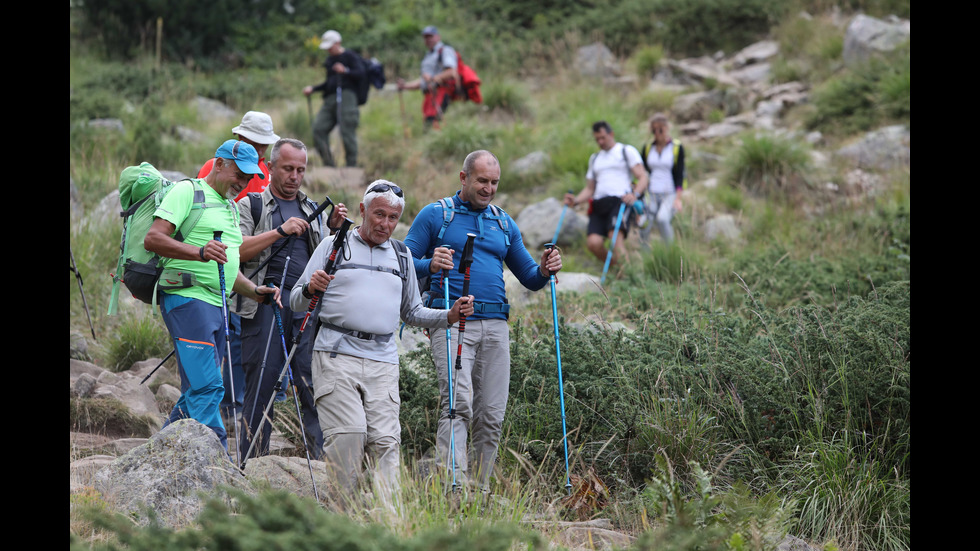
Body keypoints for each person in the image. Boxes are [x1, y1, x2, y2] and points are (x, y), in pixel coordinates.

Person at [292, 181, 474, 505]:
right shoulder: (333, 245)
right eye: (379, 214)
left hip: (384, 359)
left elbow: (413, 312)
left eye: (393, 217)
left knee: (387, 442)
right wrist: (309, 289)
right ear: (362, 211)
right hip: (336, 354)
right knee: (349, 435)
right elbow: (294, 300)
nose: (385, 224)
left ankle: (389, 523)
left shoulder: (402, 255)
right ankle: (339, 518)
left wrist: (449, 315)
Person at [405, 150, 563, 490]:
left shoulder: (503, 222)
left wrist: (545, 270)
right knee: (458, 405)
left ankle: (481, 490)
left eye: (494, 182)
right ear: (463, 178)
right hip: (450, 320)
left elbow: (530, 278)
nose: (489, 189)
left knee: (491, 415)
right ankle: (453, 487)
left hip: (496, 326)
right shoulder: (437, 215)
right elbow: (403, 261)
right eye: (482, 181)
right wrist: (430, 264)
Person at [145, 139, 280, 451]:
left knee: (195, 390)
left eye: (250, 178)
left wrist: (255, 291)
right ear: (219, 163)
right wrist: (199, 251)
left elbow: (229, 267)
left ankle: (155, 458)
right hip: (187, 299)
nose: (244, 183)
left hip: (218, 305)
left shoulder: (230, 208)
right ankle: (219, 463)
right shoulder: (187, 192)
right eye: (239, 174)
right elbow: (154, 238)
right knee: (209, 386)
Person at [235, 138, 348, 463]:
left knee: (313, 385)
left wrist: (335, 232)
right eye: (288, 168)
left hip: (307, 306)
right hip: (263, 304)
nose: (295, 176)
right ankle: (252, 464)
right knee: (262, 383)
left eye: (300, 169)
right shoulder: (251, 205)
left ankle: (322, 466)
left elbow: (329, 261)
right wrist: (280, 231)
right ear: (269, 167)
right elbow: (237, 251)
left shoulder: (313, 209)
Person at [195, 110, 280, 434]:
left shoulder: (261, 171)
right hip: (221, 260)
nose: (261, 152)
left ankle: (240, 403)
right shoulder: (218, 167)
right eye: (257, 143)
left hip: (246, 263)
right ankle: (229, 406)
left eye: (264, 145)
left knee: (239, 336)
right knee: (228, 338)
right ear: (241, 138)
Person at [565, 121, 648, 266]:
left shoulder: (626, 151)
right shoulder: (595, 158)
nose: (600, 142)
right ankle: (617, 269)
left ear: (611, 134)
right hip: (598, 204)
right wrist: (576, 201)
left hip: (619, 201)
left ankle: (627, 277)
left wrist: (634, 194)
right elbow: (590, 188)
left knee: (615, 237)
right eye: (597, 139)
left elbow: (642, 176)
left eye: (603, 137)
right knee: (593, 243)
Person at [303, 30, 365, 167]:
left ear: (338, 43)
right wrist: (313, 89)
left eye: (330, 46)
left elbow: (361, 73)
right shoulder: (329, 61)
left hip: (348, 96)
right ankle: (329, 164)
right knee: (318, 129)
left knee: (347, 130)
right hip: (330, 98)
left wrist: (346, 71)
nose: (329, 50)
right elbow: (329, 83)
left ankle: (351, 166)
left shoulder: (350, 56)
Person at [198, 111, 280, 201]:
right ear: (241, 137)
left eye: (264, 145)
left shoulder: (266, 173)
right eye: (254, 144)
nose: (259, 152)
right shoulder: (214, 166)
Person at [396, 26, 458, 129]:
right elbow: (423, 81)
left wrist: (433, 78)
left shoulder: (445, 51)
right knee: (429, 124)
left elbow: (452, 72)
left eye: (430, 36)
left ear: (438, 37)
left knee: (433, 124)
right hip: (429, 96)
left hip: (440, 93)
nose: (428, 39)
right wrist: (405, 86)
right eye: (425, 37)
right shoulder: (428, 56)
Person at [639, 113, 685, 245]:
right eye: (654, 130)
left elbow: (680, 173)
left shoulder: (676, 147)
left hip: (669, 191)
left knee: (663, 219)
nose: (657, 133)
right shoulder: (648, 148)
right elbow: (643, 172)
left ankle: (671, 253)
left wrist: (678, 198)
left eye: (660, 129)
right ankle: (645, 257)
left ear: (666, 128)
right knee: (644, 223)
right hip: (651, 192)